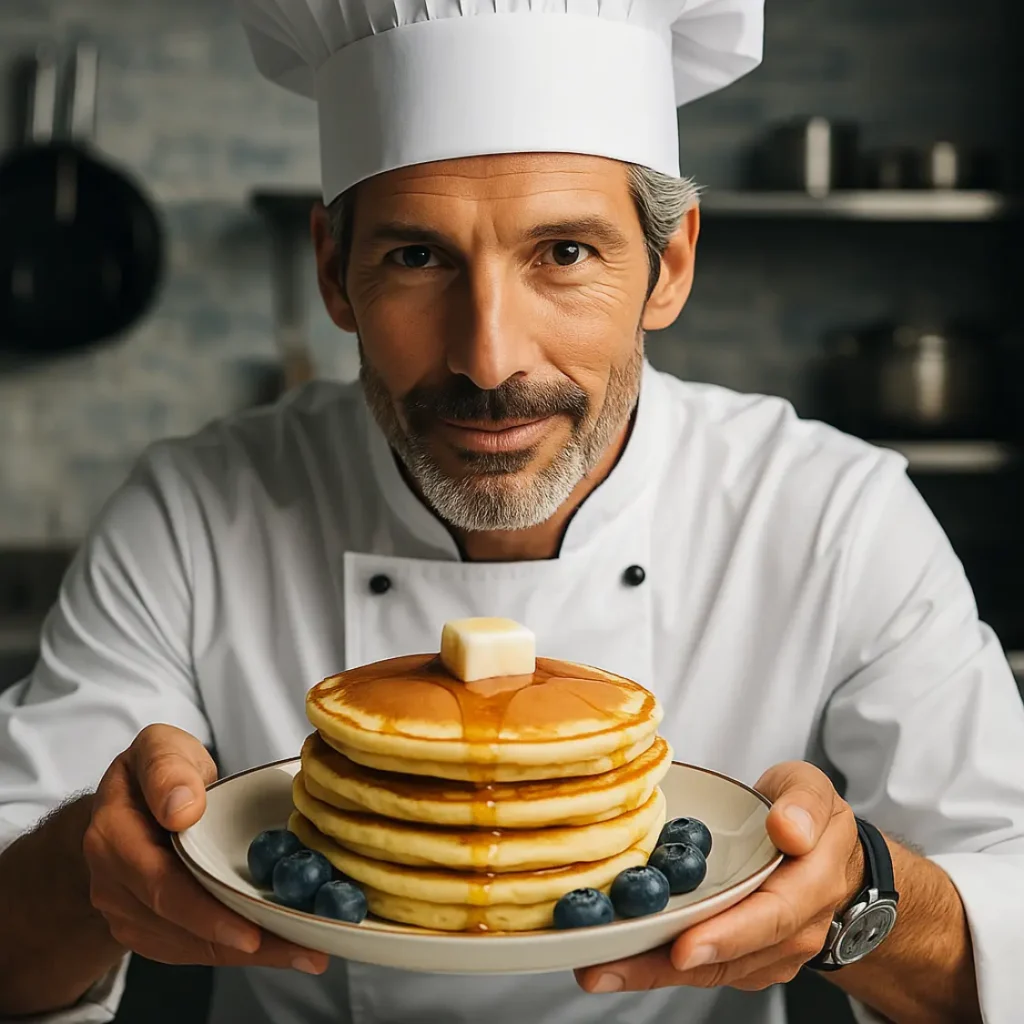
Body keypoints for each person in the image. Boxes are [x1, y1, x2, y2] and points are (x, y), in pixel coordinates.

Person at [1, 1, 1022, 1021]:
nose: (488, 358)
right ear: (332, 272)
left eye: (564, 253)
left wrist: (862, 896)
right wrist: (86, 859)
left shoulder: (831, 515)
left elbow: (1008, 920)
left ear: (668, 265)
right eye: (416, 257)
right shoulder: (191, 513)